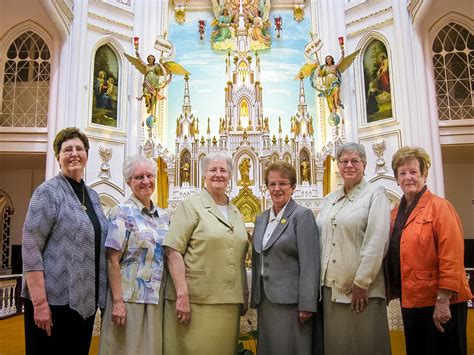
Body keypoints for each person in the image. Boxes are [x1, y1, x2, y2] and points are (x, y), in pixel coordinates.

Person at [21, 127, 108, 355]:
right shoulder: (47, 192)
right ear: (58, 156)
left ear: (87, 154)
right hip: (52, 304)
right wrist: (40, 303)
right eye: (67, 149)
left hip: (84, 304)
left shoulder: (93, 197)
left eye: (79, 148)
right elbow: (31, 247)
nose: (74, 154)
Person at [386, 146, 472, 355]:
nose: (408, 178)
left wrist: (442, 301)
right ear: (396, 179)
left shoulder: (440, 207)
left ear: (424, 174)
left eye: (413, 172)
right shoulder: (395, 212)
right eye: (402, 173)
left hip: (441, 301)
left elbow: (451, 257)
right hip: (412, 298)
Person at [163, 152, 249, 354]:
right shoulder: (191, 205)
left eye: (223, 170)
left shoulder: (236, 212)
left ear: (230, 175)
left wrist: (244, 294)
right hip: (195, 301)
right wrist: (182, 295)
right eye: (213, 170)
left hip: (229, 302)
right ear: (203, 175)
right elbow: (173, 250)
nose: (218, 174)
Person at [317, 142, 391, 355]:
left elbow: (377, 240)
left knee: (364, 345)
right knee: (338, 346)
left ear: (364, 164)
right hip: (331, 290)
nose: (349, 165)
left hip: (361, 292)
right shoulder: (330, 199)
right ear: (338, 166)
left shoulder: (375, 194)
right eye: (343, 161)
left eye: (354, 161)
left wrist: (362, 281)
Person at [99, 155, 168, 354]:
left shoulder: (163, 216)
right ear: (129, 182)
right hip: (129, 299)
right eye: (138, 177)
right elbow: (112, 260)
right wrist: (118, 302)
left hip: (155, 298)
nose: (146, 181)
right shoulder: (121, 213)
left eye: (149, 175)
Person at [250, 162, 320, 355]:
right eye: (272, 184)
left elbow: (310, 264)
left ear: (293, 187)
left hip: (292, 303)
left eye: (282, 183)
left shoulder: (302, 216)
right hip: (267, 300)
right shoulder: (262, 218)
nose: (277, 189)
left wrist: (307, 303)